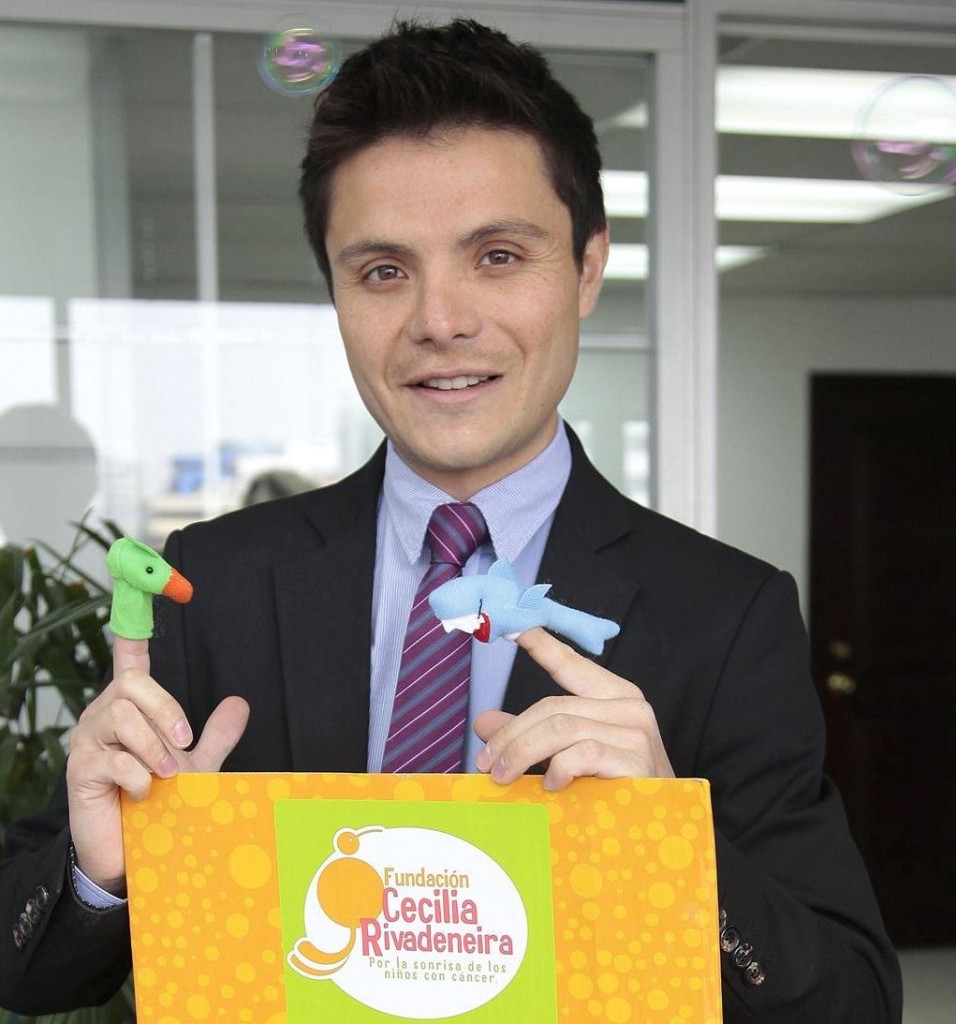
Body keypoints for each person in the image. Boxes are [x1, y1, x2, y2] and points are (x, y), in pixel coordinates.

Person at [1, 18, 901, 1021]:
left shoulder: (726, 613)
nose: (439, 321)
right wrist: (102, 869)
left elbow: (852, 998)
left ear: (587, 268)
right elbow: (26, 969)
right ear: (336, 291)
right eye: (383, 271)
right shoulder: (217, 580)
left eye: (498, 255)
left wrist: (669, 845)